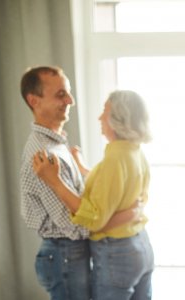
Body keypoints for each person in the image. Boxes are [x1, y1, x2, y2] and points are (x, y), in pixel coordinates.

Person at [19, 66, 140, 299]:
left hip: (69, 254)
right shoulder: (42, 154)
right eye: (60, 95)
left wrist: (83, 169)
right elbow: (75, 226)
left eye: (69, 93)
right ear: (34, 101)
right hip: (65, 253)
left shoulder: (56, 144)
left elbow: (81, 195)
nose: (70, 101)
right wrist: (125, 216)